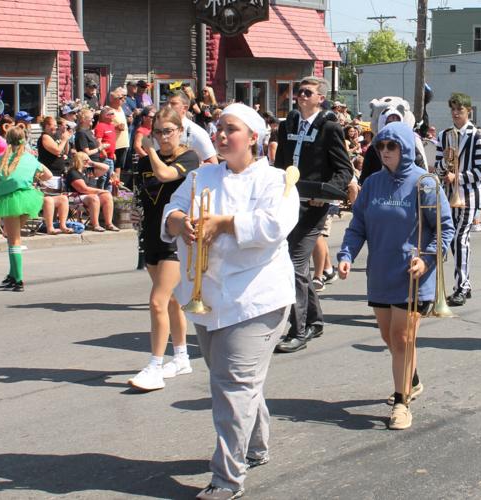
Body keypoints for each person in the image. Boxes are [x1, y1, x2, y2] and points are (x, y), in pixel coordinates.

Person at [161, 103, 299, 500]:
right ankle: (255, 447)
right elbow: (172, 210)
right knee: (233, 382)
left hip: (257, 299)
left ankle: (226, 479)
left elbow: (275, 226)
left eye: (230, 129)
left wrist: (224, 223)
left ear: (252, 138)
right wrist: (176, 223)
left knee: (232, 385)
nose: (221, 135)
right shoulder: (201, 175)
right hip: (208, 297)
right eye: (218, 128)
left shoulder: (274, 180)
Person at [337, 122, 455, 430]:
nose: (386, 152)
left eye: (392, 146)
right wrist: (346, 255)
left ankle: (402, 403)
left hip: (412, 274)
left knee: (403, 339)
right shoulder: (373, 184)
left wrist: (426, 260)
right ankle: (411, 379)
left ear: (405, 148)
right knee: (389, 336)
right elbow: (358, 225)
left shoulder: (425, 183)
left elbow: (444, 228)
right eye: (381, 147)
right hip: (380, 271)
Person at [272, 76, 354, 353]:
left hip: (314, 207)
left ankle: (299, 328)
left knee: (293, 264)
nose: (301, 96)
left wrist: (328, 194)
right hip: (288, 204)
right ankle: (315, 319)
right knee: (293, 265)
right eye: (298, 92)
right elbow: (279, 163)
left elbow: (345, 170)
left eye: (307, 92)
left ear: (320, 98)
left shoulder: (330, 128)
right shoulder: (288, 125)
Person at [127, 106, 200, 391]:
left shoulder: (189, 157)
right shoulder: (145, 165)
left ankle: (155, 365)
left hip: (176, 238)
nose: (162, 137)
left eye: (167, 132)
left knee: (157, 300)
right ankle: (181, 356)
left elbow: (167, 175)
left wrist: (150, 150)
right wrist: (135, 214)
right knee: (170, 301)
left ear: (180, 131)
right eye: (157, 132)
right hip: (152, 236)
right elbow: (143, 196)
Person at [435, 92, 481, 307]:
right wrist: (445, 163)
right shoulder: (444, 135)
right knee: (454, 239)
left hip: (469, 195)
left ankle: (461, 287)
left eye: (460, 110)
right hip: (449, 195)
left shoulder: (479, 136)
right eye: (453, 110)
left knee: (459, 239)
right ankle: (464, 284)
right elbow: (438, 166)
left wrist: (456, 176)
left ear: (469, 111)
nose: (456, 113)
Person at [0, 127, 52, 291]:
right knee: (11, 237)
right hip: (28, 199)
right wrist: (34, 176)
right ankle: (11, 274)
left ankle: (19, 280)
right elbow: (48, 175)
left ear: (7, 140)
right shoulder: (30, 158)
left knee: (14, 239)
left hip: (9, 200)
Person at [64, 152, 118, 232]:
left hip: (86, 197)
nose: (87, 161)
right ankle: (95, 225)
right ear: (79, 161)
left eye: (88, 159)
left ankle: (109, 224)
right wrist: (101, 191)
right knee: (94, 197)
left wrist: (92, 162)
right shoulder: (73, 172)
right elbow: (83, 189)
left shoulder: (87, 171)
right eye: (85, 160)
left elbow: (106, 168)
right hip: (73, 197)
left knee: (107, 196)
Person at [166, 91, 217, 164]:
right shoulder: (158, 129)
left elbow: (213, 164)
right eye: (166, 103)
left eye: (173, 104)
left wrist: (190, 170)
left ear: (185, 108)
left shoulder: (197, 132)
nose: (167, 107)